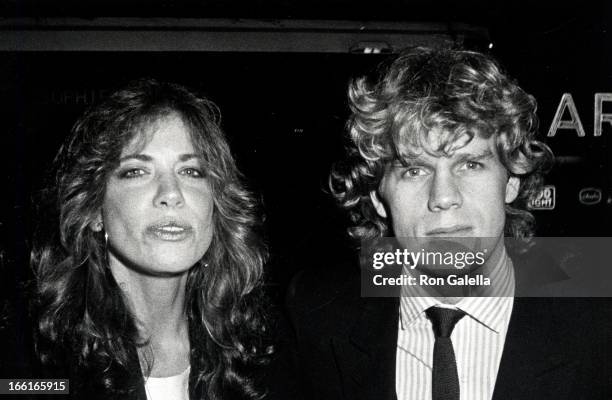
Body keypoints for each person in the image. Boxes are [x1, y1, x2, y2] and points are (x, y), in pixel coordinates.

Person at [285, 47, 611, 400]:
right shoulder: (316, 314)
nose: (443, 196)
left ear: (512, 178)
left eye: (470, 165)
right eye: (413, 169)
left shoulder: (599, 323)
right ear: (378, 197)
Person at [30, 79, 270, 400]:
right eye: (136, 172)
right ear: (93, 209)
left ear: (217, 205)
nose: (171, 194)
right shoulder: (32, 366)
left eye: (191, 171)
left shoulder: (260, 349)